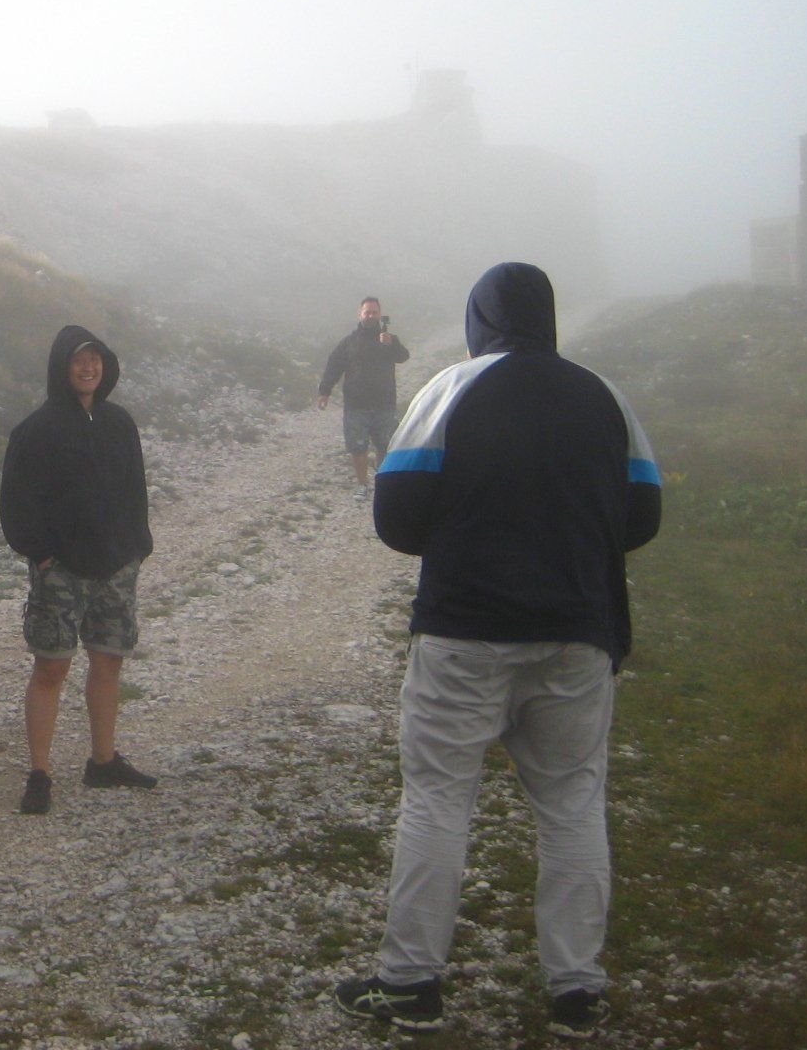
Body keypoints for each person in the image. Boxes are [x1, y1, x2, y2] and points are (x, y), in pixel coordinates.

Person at [333, 263, 662, 1040]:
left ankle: (411, 983)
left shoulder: (452, 388)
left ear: (480, 316)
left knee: (440, 798)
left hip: (465, 631)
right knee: (573, 803)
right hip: (579, 632)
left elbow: (397, 514)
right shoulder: (602, 396)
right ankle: (576, 989)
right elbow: (642, 513)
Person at [0, 324, 157, 816]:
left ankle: (103, 762)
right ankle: (40, 773)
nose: (89, 368)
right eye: (78, 361)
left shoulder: (119, 423)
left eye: (96, 360)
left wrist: (137, 547)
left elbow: (136, 489)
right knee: (52, 666)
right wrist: (42, 554)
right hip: (60, 570)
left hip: (116, 565)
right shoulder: (36, 429)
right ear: (61, 368)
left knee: (108, 661)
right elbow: (15, 503)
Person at [317, 296, 410, 498]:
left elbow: (403, 356)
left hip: (384, 405)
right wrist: (324, 391)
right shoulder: (348, 343)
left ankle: (383, 483)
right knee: (357, 448)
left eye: (374, 312)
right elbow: (334, 366)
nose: (370, 315)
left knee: (385, 446)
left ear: (380, 314)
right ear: (360, 314)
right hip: (356, 406)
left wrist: (392, 343)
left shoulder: (389, 338)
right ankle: (362, 485)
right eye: (367, 312)